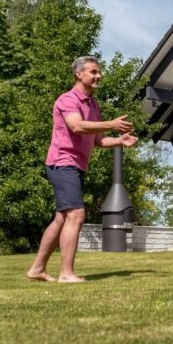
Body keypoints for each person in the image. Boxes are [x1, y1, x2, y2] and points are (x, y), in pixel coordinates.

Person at [27, 56, 138, 283]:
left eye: (99, 72)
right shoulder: (67, 99)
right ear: (79, 74)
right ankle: (66, 274)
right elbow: (77, 126)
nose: (99, 76)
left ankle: (37, 269)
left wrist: (119, 140)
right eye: (93, 72)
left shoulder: (94, 106)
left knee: (61, 219)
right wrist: (111, 123)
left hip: (76, 165)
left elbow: (98, 141)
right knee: (76, 214)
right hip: (62, 162)